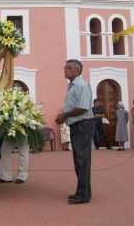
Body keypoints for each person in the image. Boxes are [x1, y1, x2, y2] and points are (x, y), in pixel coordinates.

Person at [56, 59, 94, 204]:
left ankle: (83, 195)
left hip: (83, 125)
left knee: (82, 160)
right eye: (65, 68)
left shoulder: (81, 85)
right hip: (77, 125)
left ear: (77, 70)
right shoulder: (72, 85)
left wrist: (64, 115)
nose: (65, 70)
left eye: (68, 68)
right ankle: (82, 191)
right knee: (79, 160)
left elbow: (83, 107)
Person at [0, 86, 30, 184]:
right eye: (15, 89)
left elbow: (31, 115)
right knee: (4, 150)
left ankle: (22, 176)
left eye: (18, 90)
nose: (16, 91)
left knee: (23, 152)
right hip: (9, 131)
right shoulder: (8, 101)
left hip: (22, 130)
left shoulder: (28, 103)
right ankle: (6, 176)